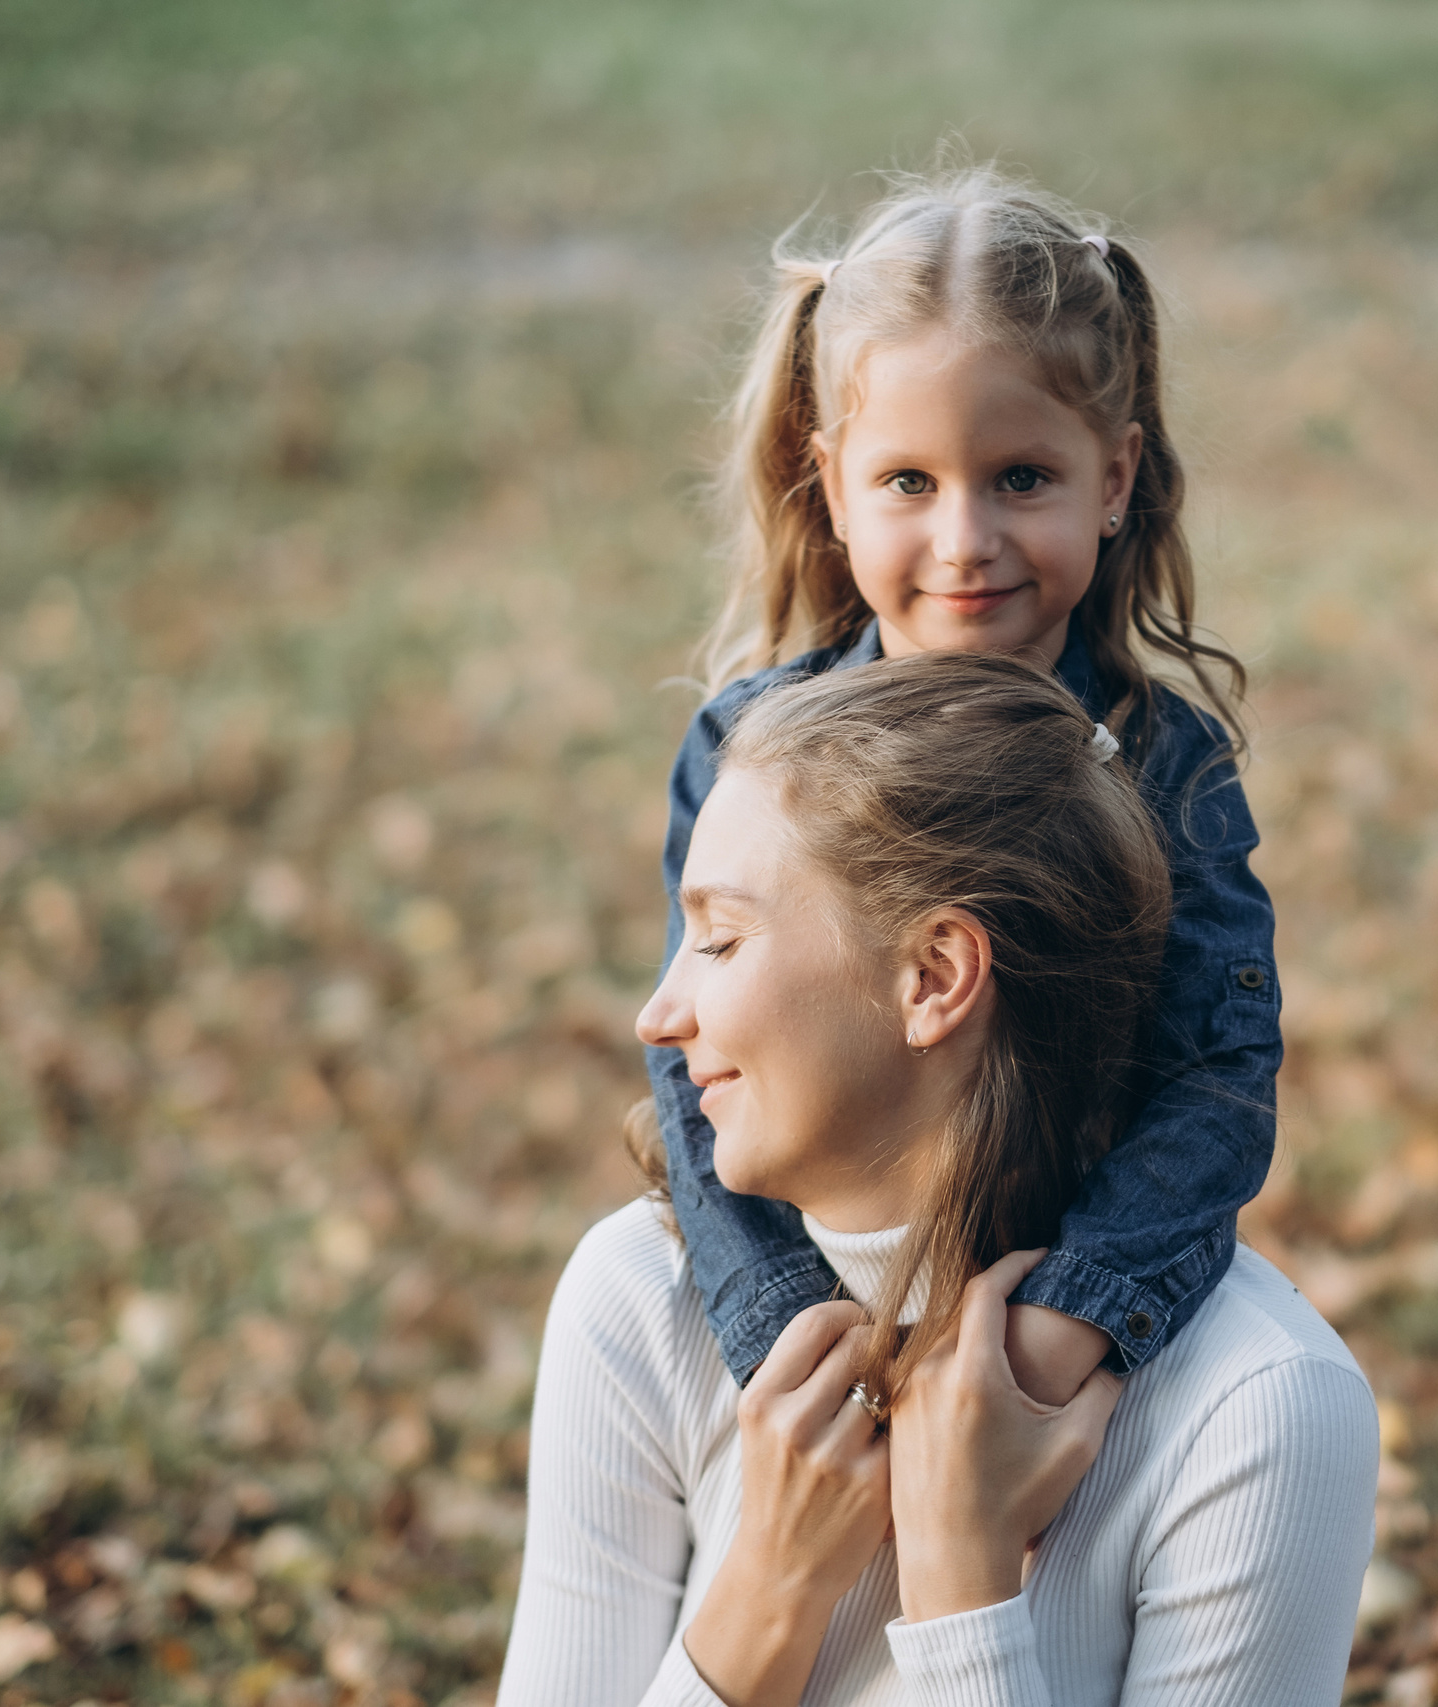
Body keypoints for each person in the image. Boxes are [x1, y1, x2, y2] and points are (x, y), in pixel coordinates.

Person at [495, 654, 1376, 1705]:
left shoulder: (1260, 1406)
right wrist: (767, 1595)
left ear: (934, 978)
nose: (656, 1015)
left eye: (721, 939)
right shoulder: (640, 1300)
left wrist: (963, 1582)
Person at [646, 165, 1280, 1414]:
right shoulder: (750, 752)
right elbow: (694, 1065)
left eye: (1022, 478)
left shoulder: (1166, 766)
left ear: (1113, 477)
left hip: (1068, 1320)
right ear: (827, 486)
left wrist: (1063, 1328)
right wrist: (787, 1327)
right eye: (907, 483)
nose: (963, 539)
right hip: (826, 1303)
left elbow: (1216, 1069)